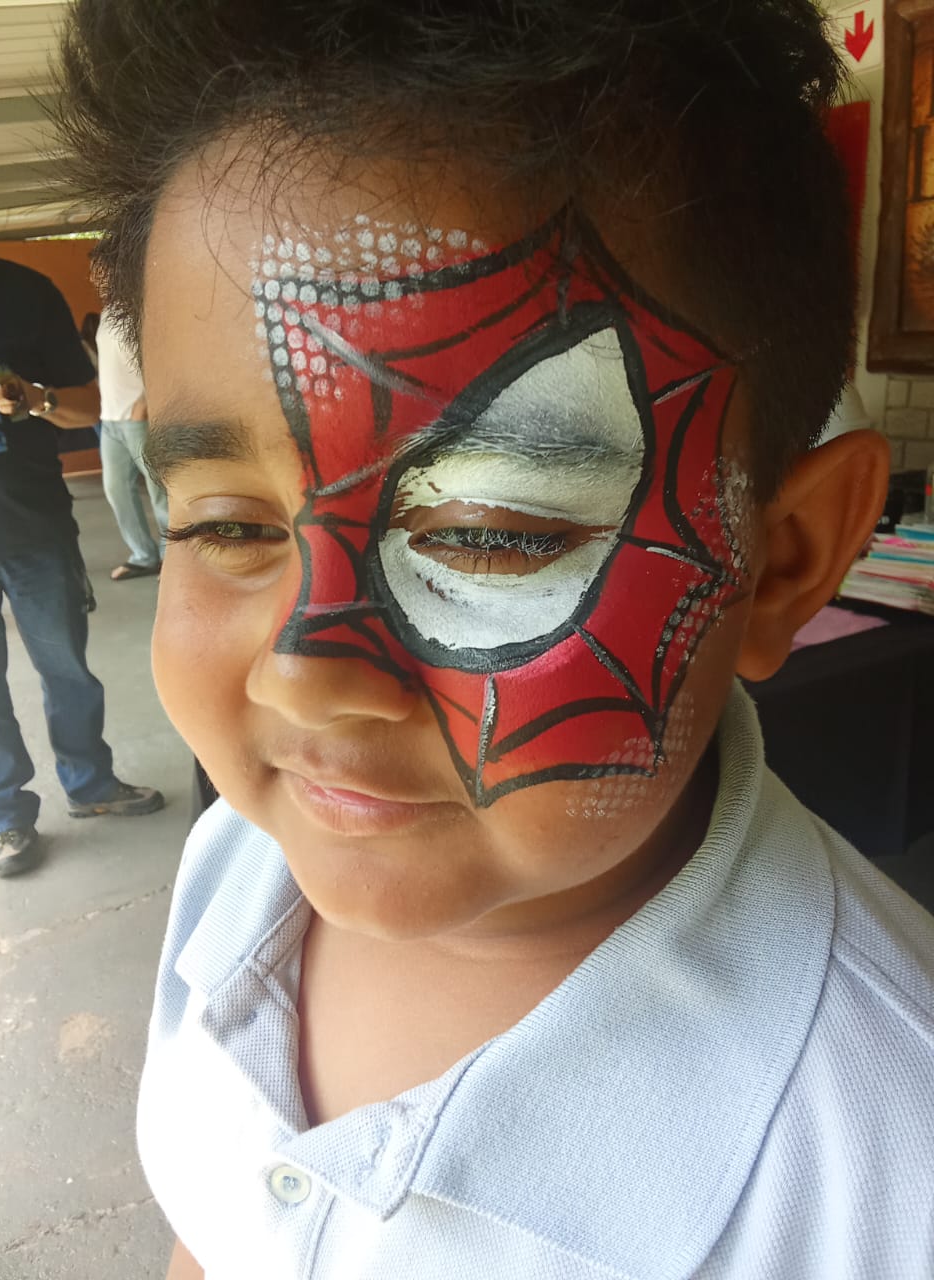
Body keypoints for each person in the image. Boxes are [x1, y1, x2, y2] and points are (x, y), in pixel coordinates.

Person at [57, 2, 934, 1277]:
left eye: (487, 534)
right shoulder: (233, 873)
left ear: (782, 561)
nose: (304, 671)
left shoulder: (893, 1168)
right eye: (229, 525)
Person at [0, 249, 165, 878]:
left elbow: (87, 404)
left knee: (67, 673)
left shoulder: (25, 291)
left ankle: (90, 785)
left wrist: (35, 397)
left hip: (33, 528)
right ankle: (3, 817)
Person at [96, 304, 169, 579]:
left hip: (139, 419)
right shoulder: (106, 313)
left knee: (159, 491)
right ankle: (143, 555)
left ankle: (171, 557)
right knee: (115, 490)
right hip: (110, 419)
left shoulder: (142, 307)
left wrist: (146, 401)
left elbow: (164, 358)